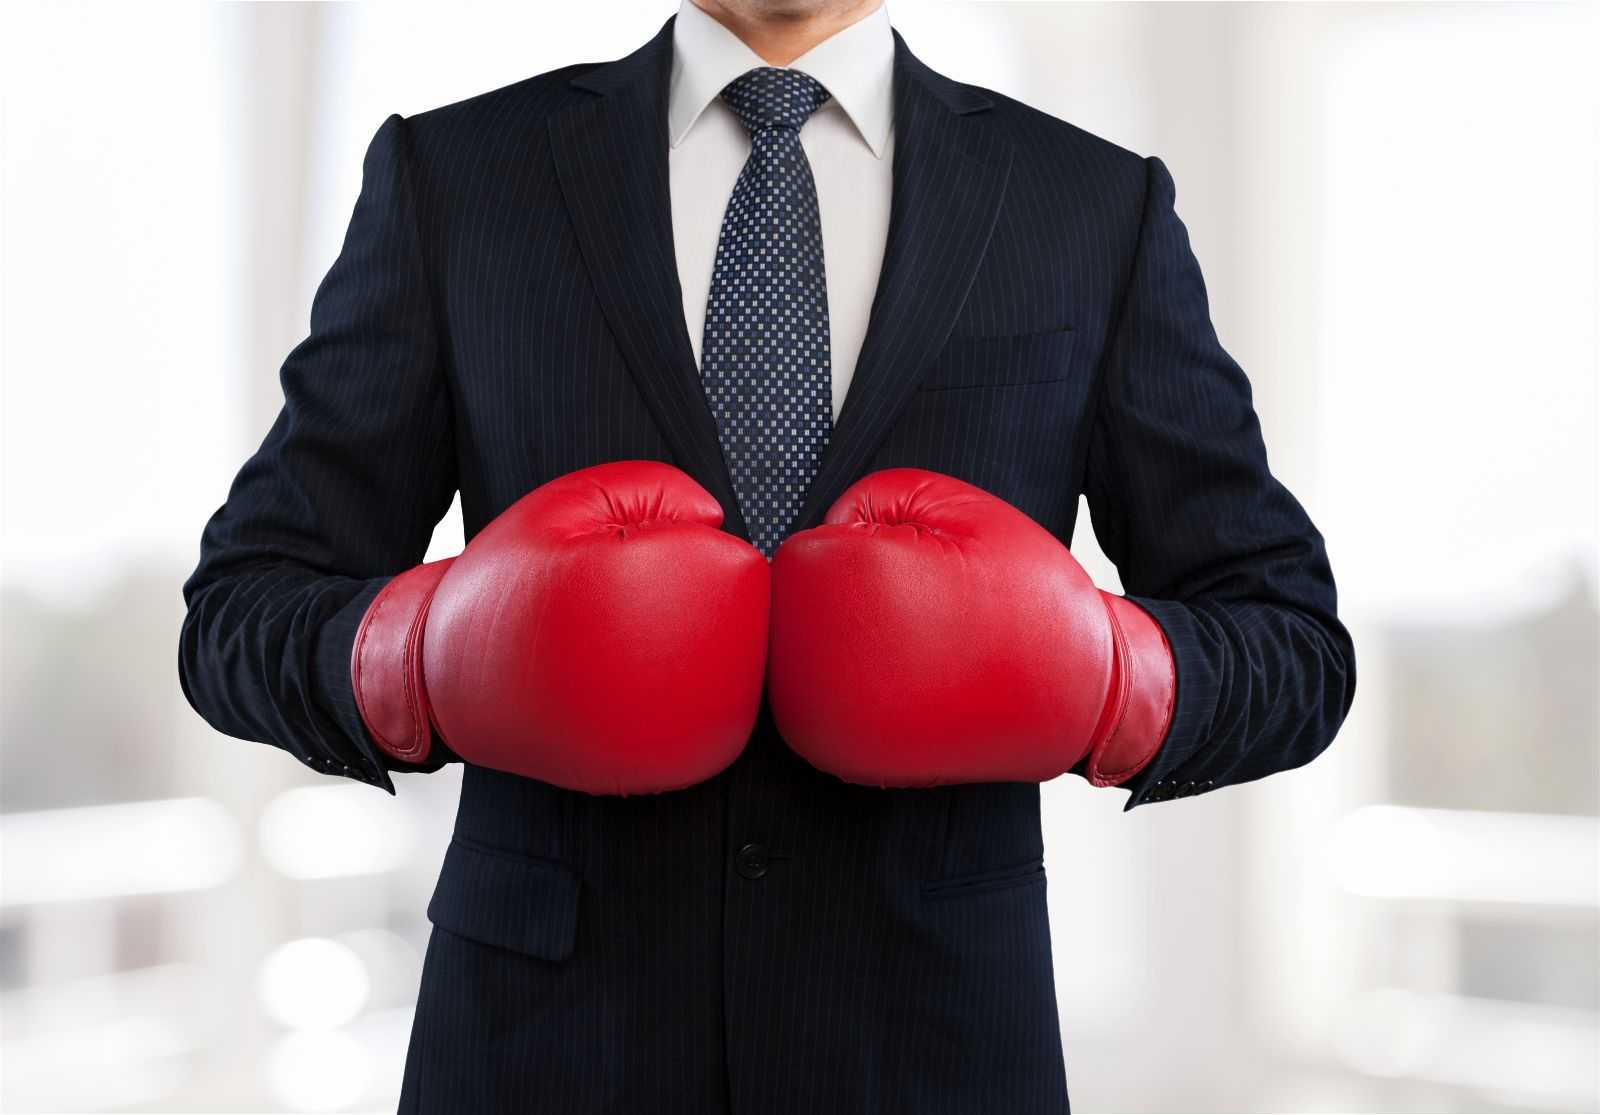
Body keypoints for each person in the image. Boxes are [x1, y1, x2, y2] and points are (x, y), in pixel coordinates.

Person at [178, 1, 1356, 1111]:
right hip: (538, 1049)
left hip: (938, 1050)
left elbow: (1289, 636)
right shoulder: (459, 179)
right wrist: (429, 656)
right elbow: (242, 605)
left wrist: (1105, 671)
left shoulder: (1089, 206)